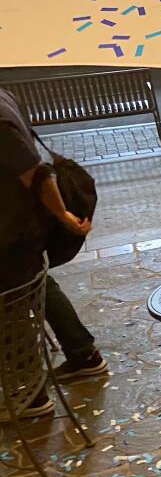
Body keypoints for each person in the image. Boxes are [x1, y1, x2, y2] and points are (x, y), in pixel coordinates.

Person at [0, 89, 106, 417]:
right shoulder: (4, 94)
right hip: (21, 227)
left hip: (12, 230)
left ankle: (28, 395)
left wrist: (65, 217)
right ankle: (83, 354)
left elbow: (36, 172)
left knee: (11, 308)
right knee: (37, 280)